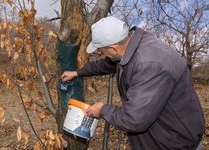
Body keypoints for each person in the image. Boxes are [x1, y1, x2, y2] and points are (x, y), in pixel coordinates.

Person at [61, 16, 205, 150]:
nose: (102, 55)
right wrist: (77, 73)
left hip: (174, 142)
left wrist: (103, 109)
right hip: (161, 133)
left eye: (102, 51)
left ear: (113, 49)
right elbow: (107, 64)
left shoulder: (149, 65)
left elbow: (133, 119)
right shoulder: (132, 46)